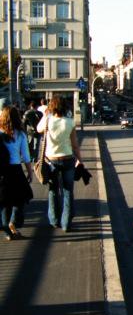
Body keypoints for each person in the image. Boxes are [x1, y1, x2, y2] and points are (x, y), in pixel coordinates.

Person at [37, 96, 83, 232]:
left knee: (53, 190)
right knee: (68, 192)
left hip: (51, 160)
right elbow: (75, 145)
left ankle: (54, 220)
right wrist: (80, 159)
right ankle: (66, 223)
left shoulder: (48, 121)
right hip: (68, 159)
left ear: (52, 107)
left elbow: (38, 129)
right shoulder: (70, 122)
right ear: (65, 107)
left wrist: (46, 115)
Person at [0, 107, 34, 241]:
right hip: (15, 169)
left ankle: (7, 232)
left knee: (4, 202)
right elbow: (26, 156)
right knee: (20, 198)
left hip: (2, 171)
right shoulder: (20, 134)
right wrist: (30, 172)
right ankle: (13, 222)